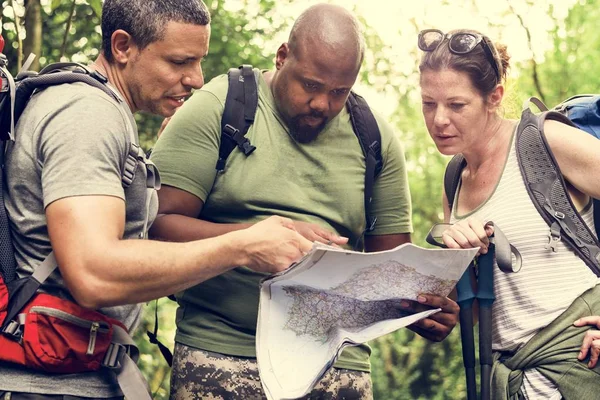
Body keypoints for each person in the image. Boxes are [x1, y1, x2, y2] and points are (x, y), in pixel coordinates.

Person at [0, 1, 313, 399]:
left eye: (198, 62)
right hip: (48, 389)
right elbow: (93, 272)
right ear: (122, 46)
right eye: (180, 62)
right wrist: (243, 246)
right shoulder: (87, 115)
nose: (197, 79)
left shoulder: (97, 110)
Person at [150, 4, 460, 399]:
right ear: (282, 57)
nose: (322, 105)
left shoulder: (374, 138)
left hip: (336, 367)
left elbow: (393, 270)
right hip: (222, 354)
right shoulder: (219, 107)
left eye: (338, 92)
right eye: (311, 86)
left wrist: (422, 308)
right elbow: (156, 225)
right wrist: (253, 241)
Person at [418, 28, 600, 398]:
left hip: (582, 367)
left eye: (456, 105)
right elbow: (478, 306)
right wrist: (445, 305)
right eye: (428, 103)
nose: (439, 120)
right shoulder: (454, 179)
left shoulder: (544, 142)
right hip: (513, 380)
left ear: (494, 96)